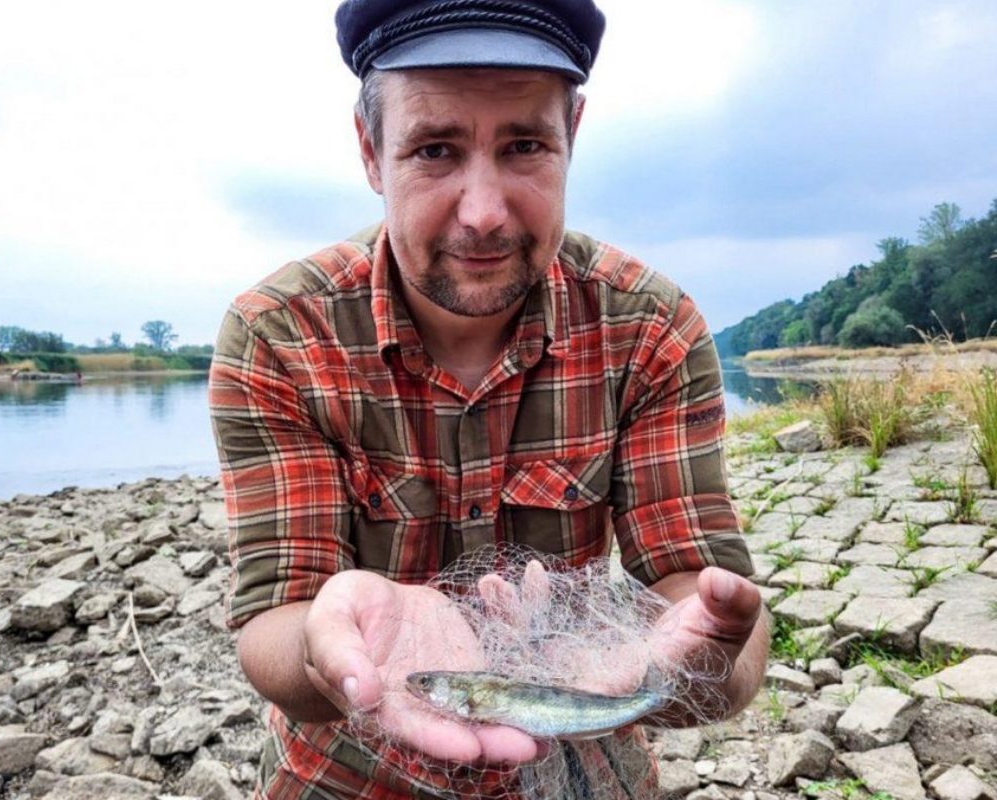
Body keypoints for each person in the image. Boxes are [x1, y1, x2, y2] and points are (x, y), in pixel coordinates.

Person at [209, 1, 769, 796]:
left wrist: (700, 657)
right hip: (345, 775)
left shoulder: (651, 329)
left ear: (573, 133)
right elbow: (274, 618)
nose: (483, 213)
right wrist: (326, 643)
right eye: (435, 149)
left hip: (580, 763)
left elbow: (707, 604)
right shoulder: (279, 336)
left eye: (525, 146)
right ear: (371, 151)